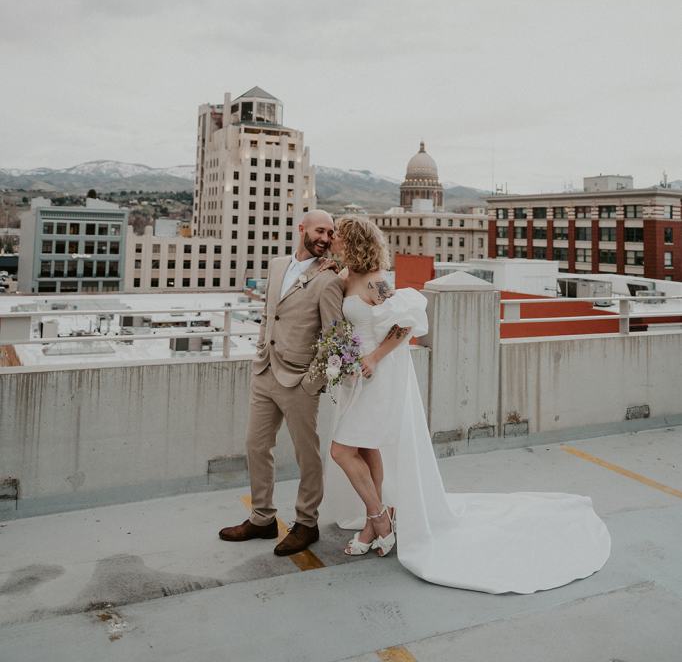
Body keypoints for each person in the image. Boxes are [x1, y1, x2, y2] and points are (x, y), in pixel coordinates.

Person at [323, 216, 612, 594]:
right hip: (357, 376)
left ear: (355, 241)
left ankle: (379, 518)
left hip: (380, 373)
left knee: (343, 449)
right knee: (364, 445)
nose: (335, 242)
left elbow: (403, 325)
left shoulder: (376, 279)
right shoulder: (347, 275)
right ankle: (375, 519)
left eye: (340, 237)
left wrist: (375, 357)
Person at [219, 209, 344, 556]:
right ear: (301, 229)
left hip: (299, 380)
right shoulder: (277, 266)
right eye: (320, 230)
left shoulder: (329, 279)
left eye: (331, 233)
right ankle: (262, 518)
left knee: (307, 455)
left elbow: (337, 338)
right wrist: (261, 351)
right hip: (265, 372)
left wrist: (312, 382)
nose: (326, 238)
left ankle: (307, 523)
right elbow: (269, 315)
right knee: (256, 446)